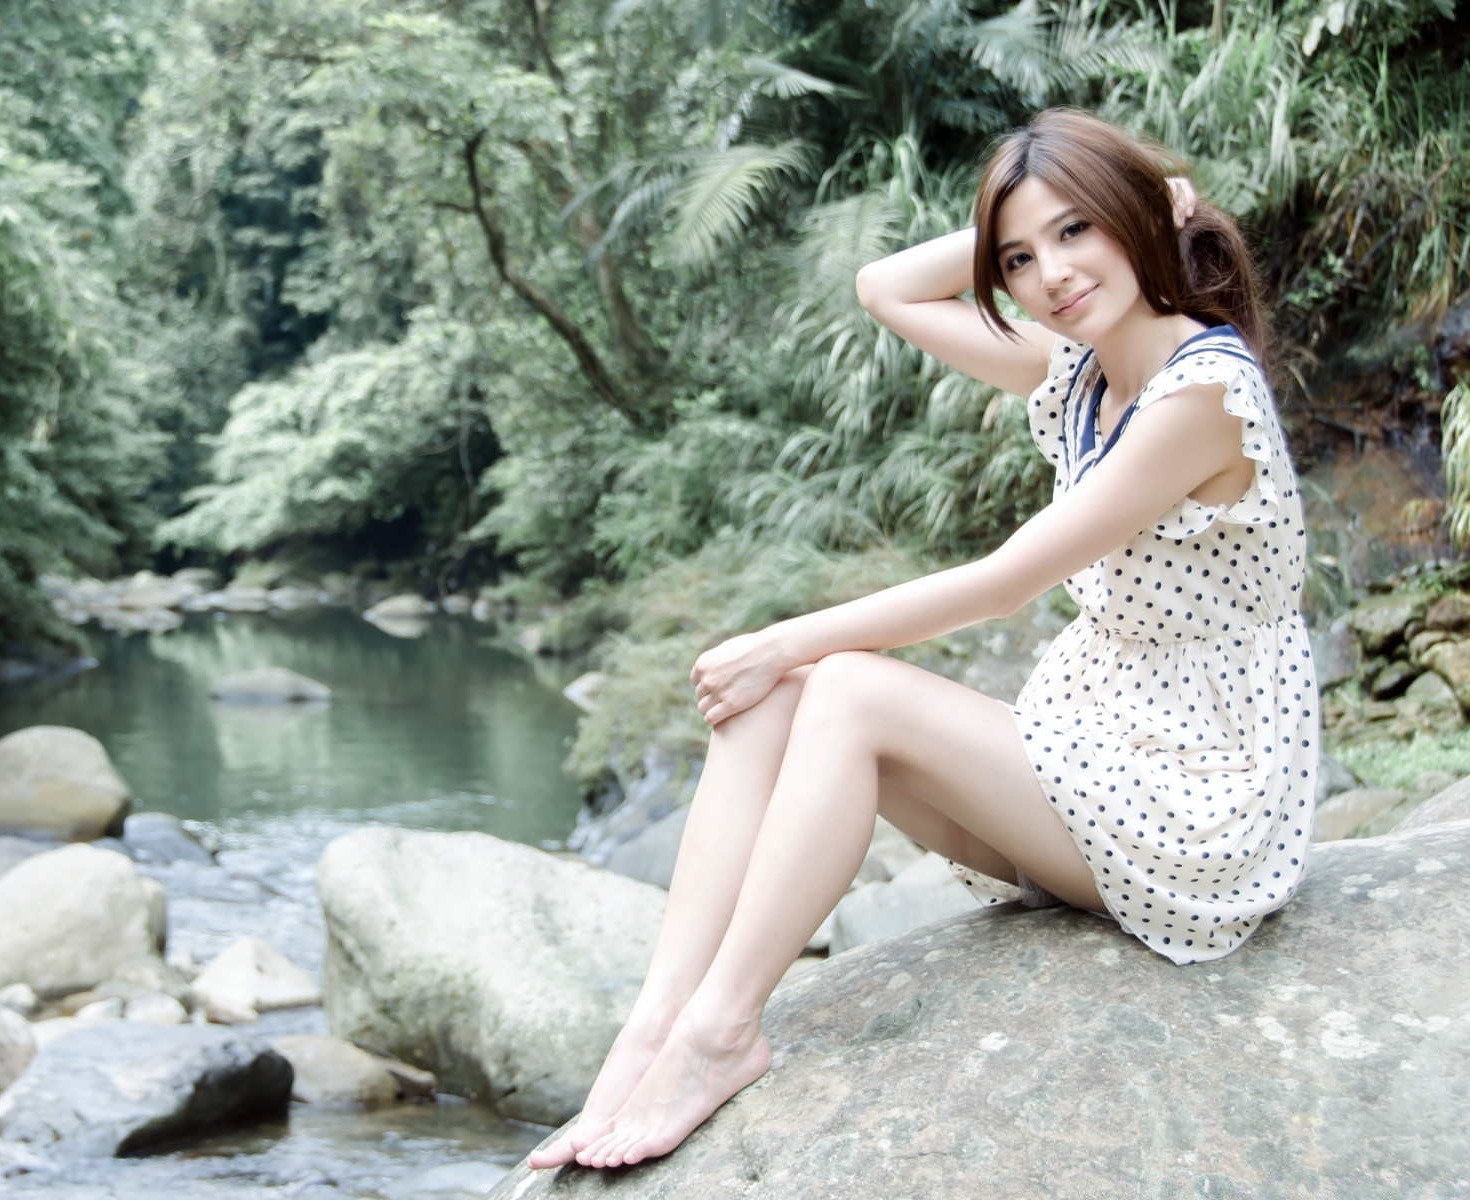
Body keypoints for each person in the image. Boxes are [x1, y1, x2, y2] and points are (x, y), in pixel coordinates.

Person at [526, 107, 1319, 1172]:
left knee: (838, 684)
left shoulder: (1204, 393)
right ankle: (656, 1028)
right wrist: (1128, 195)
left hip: (1194, 804)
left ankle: (721, 1036)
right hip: (1093, 761)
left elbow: (1005, 583)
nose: (1053, 276)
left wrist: (782, 635)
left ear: (1136, 221)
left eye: (1080, 231)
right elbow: (885, 288)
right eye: (1022, 256)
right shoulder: (1078, 371)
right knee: (776, 698)